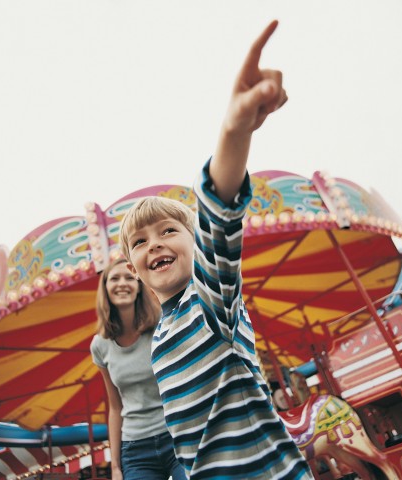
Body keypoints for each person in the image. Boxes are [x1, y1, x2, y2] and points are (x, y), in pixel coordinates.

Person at [119, 20, 313, 480]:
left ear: (195, 243)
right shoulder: (162, 338)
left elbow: (220, 217)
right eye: (141, 242)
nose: (156, 245)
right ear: (133, 268)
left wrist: (233, 129)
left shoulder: (209, 302)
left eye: (168, 231)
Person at [90, 257, 187, 480]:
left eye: (129, 277)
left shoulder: (163, 324)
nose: (122, 283)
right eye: (114, 278)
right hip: (135, 448)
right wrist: (115, 467)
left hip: (177, 433)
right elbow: (115, 408)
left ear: (138, 285)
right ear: (105, 289)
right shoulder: (99, 345)